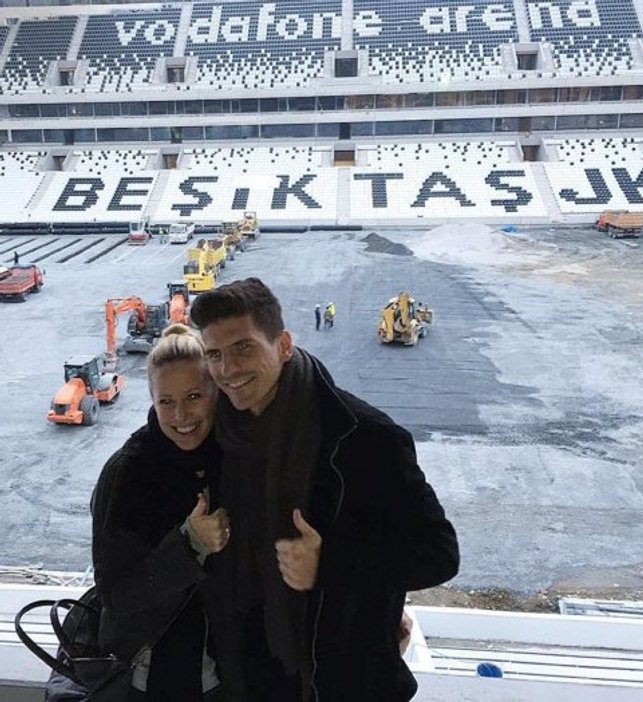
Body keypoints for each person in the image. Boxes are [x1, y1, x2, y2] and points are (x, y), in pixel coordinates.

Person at [190, 278, 459, 702]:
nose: (227, 371)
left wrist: (330, 563)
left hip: (335, 680)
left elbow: (439, 555)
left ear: (282, 345)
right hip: (244, 672)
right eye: (215, 355)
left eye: (244, 348)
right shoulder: (216, 434)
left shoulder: (364, 439)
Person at [91, 324, 230, 702]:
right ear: (152, 400)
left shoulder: (235, 458)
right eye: (165, 401)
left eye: (194, 396)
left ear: (217, 393)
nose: (180, 415)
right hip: (154, 679)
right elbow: (118, 597)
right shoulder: (128, 474)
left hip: (231, 670)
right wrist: (190, 545)